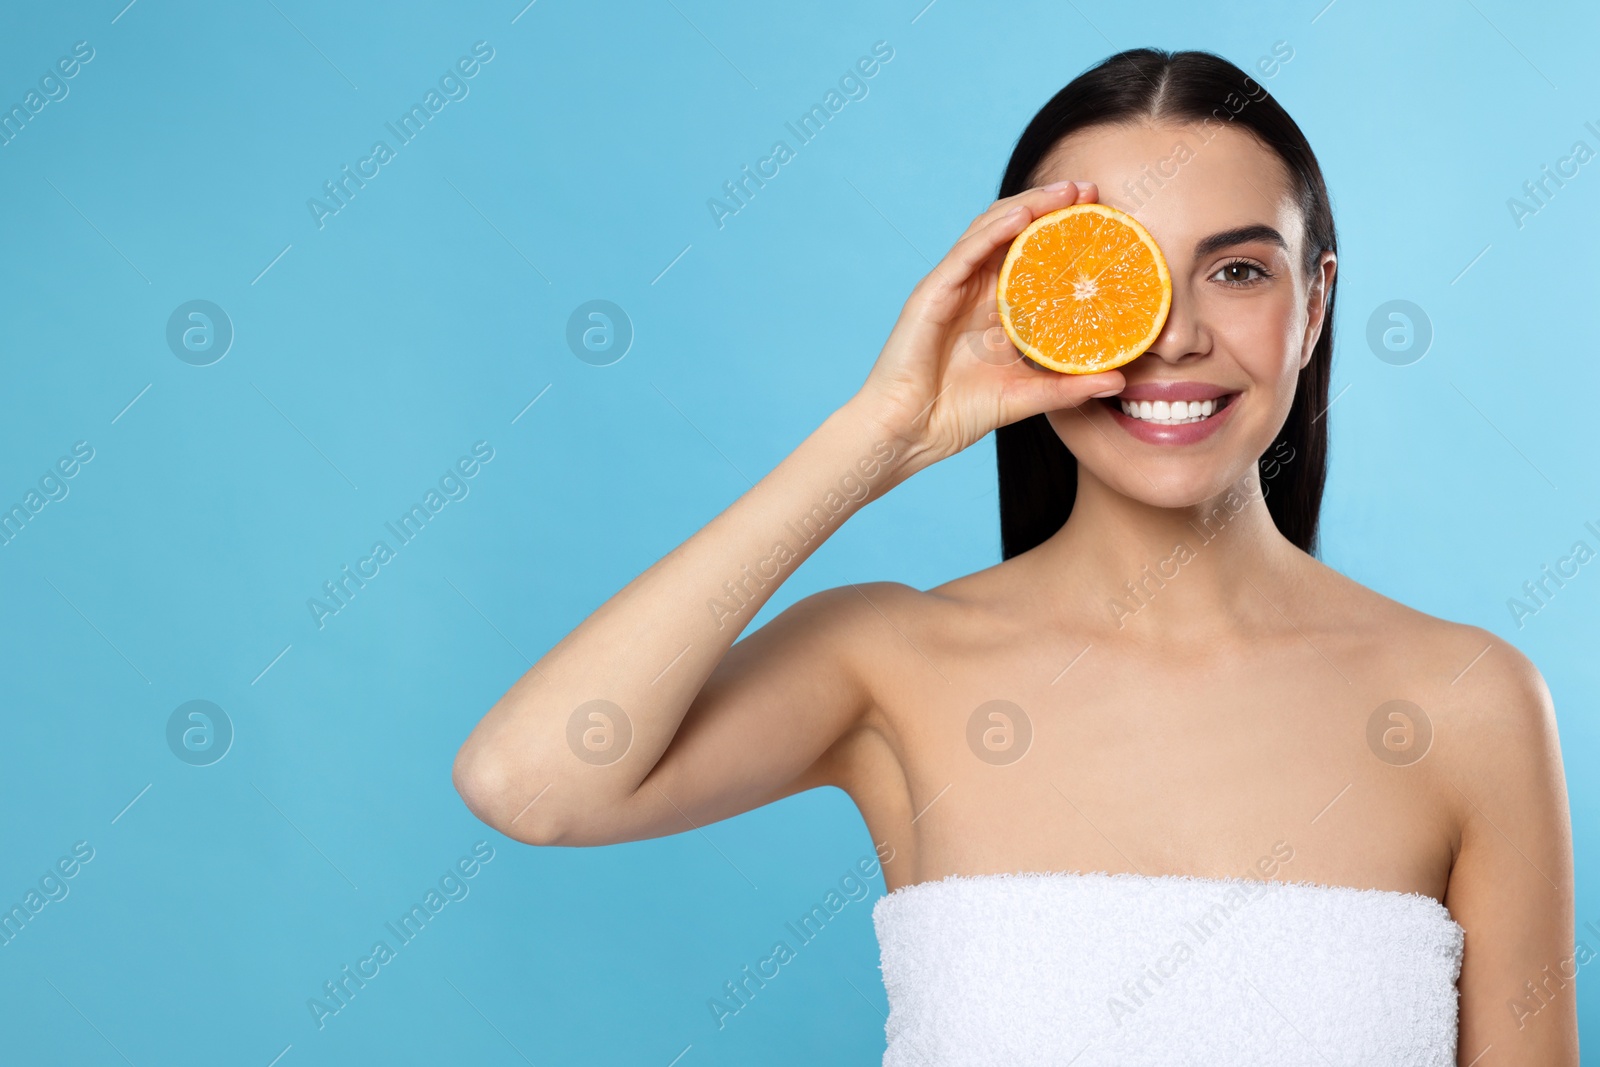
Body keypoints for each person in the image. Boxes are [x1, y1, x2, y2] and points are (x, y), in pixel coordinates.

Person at [452, 47, 1576, 1065]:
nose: (1175, 334)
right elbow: (529, 781)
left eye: (1237, 271)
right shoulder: (888, 660)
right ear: (1025, 301)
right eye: (1109, 272)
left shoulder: (1466, 700)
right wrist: (879, 431)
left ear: (1316, 302)